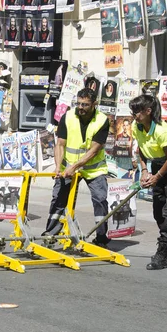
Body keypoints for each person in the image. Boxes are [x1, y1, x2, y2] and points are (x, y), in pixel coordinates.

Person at [42, 88, 112, 247]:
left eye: (85, 104)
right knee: (58, 198)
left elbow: (94, 150)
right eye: (79, 103)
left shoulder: (102, 120)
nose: (80, 107)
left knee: (100, 200)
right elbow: (60, 144)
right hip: (67, 167)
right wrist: (58, 167)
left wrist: (75, 166)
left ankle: (101, 237)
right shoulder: (67, 117)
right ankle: (51, 233)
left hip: (93, 168)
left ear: (94, 104)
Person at [129, 94, 167, 270]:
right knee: (158, 212)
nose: (134, 115)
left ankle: (162, 252)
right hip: (156, 166)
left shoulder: (162, 130)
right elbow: (140, 149)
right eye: (133, 112)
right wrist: (145, 170)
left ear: (148, 111)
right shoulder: (136, 126)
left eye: (137, 112)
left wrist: (157, 177)